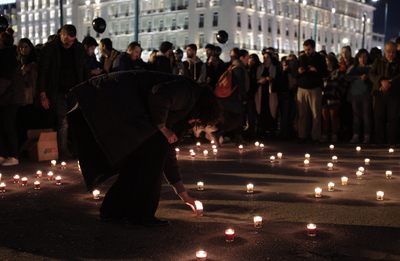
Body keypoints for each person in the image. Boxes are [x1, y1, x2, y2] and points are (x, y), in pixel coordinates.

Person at [67, 71, 222, 227]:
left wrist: (183, 195)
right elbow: (159, 94)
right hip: (108, 99)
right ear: (202, 109)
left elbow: (168, 153)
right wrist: (163, 128)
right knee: (150, 164)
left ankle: (113, 210)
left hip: (118, 104)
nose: (194, 122)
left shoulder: (183, 111)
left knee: (141, 158)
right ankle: (141, 215)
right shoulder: (188, 92)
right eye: (198, 119)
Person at [37, 24, 91, 160]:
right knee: (63, 121)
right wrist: (43, 94)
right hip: (58, 90)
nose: (69, 43)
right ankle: (63, 151)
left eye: (72, 40)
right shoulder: (50, 49)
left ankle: (77, 150)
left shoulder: (78, 49)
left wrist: (87, 88)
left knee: (77, 120)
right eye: (67, 40)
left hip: (75, 90)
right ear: (61, 35)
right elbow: (43, 72)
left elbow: (85, 69)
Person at [296, 39, 328, 142]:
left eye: (309, 49)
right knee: (302, 113)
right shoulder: (301, 58)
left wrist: (316, 70)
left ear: (313, 48)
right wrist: (299, 71)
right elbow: (294, 74)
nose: (307, 52)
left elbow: (325, 73)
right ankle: (302, 135)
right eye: (305, 49)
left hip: (315, 88)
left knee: (316, 114)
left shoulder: (320, 58)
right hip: (302, 88)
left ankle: (315, 136)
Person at [0, 32, 24, 166]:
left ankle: (13, 155)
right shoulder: (8, 54)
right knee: (5, 126)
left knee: (8, 126)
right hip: (8, 97)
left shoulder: (6, 56)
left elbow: (5, 80)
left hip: (10, 97)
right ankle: (3, 154)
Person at [369, 42, 400, 147]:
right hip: (379, 92)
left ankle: (392, 140)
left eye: (393, 52)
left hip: (394, 93)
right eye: (388, 52)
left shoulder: (398, 62)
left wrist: (390, 83)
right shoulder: (378, 61)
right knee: (378, 117)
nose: (391, 54)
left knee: (393, 117)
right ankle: (379, 140)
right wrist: (381, 81)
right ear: (384, 51)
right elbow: (372, 74)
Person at [345, 49, 373, 144]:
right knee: (356, 116)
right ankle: (356, 134)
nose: (362, 59)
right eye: (360, 57)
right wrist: (356, 76)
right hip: (355, 95)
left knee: (366, 116)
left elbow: (374, 77)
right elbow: (346, 77)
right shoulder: (353, 68)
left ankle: (367, 135)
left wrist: (368, 77)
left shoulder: (371, 68)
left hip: (366, 95)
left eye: (364, 57)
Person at [255, 51, 281, 139]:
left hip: (271, 93)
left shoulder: (275, 68)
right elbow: (255, 80)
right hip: (261, 93)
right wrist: (259, 81)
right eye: (264, 57)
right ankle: (262, 129)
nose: (265, 59)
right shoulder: (259, 68)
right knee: (261, 110)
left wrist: (271, 80)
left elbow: (278, 81)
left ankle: (271, 129)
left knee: (271, 110)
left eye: (267, 58)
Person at [320, 55, 342, 143]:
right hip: (324, 97)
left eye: (328, 61)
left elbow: (342, 84)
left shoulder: (337, 73)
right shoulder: (323, 73)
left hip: (334, 97)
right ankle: (325, 134)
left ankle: (334, 134)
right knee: (325, 117)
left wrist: (338, 93)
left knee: (334, 116)